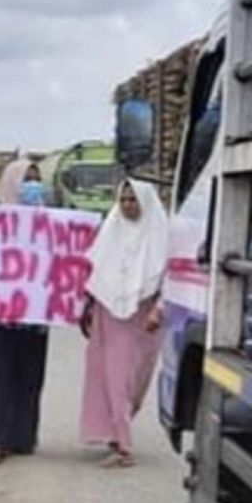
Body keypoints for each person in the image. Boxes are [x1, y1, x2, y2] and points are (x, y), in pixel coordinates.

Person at [79, 180, 169, 467]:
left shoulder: (161, 235)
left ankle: (120, 434)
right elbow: (96, 270)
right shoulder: (110, 230)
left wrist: (160, 308)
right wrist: (89, 306)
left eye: (134, 200)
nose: (129, 205)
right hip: (108, 316)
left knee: (133, 381)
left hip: (143, 320)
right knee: (109, 377)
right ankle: (122, 445)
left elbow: (172, 280)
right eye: (124, 200)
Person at [0, 157, 50, 465]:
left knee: (29, 376)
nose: (32, 186)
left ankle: (20, 436)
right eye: (25, 179)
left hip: (34, 316)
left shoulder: (49, 222)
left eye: (35, 179)